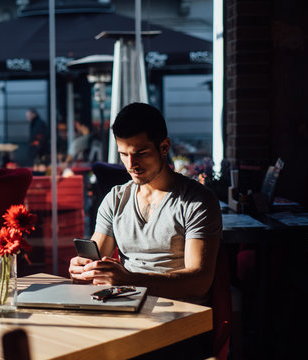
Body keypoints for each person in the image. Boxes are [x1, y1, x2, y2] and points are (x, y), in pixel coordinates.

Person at [69, 102, 222, 304]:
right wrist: (83, 269)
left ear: (164, 147)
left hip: (178, 313)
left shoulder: (197, 201)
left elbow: (199, 281)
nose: (131, 165)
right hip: (125, 305)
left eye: (140, 153)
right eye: (124, 154)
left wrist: (131, 280)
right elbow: (94, 262)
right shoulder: (115, 200)